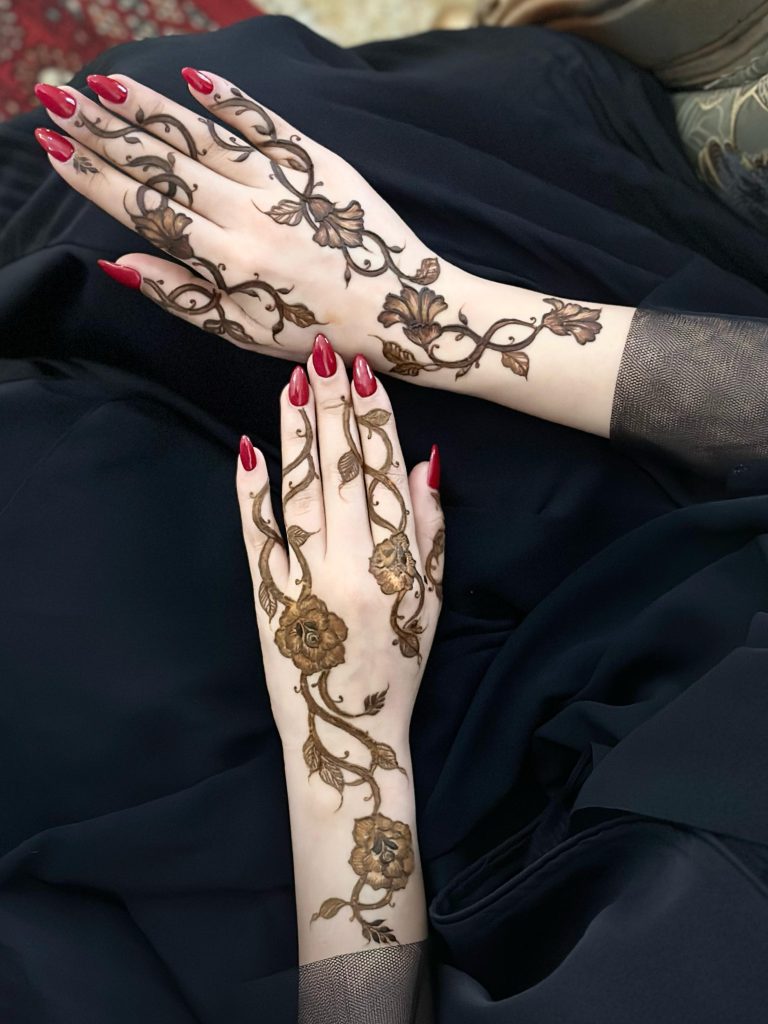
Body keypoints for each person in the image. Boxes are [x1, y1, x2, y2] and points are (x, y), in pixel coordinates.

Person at [1, 14, 768, 1023]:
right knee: (206, 158)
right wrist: (428, 314)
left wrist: (348, 735)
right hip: (672, 536)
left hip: (401, 844)